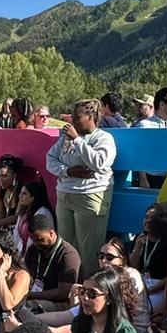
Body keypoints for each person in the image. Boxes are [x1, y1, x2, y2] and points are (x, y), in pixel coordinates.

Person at [45, 98, 116, 266]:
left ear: (91, 116)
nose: (73, 120)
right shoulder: (65, 138)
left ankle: (88, 286)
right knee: (65, 247)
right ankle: (66, 285)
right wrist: (67, 171)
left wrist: (77, 140)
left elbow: (98, 163)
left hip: (90, 196)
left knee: (88, 250)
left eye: (78, 116)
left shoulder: (103, 138)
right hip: (64, 196)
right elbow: (50, 160)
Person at [22, 212, 81, 313]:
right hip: (35, 295)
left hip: (60, 302)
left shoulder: (68, 255)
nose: (36, 244)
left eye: (40, 239)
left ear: (51, 232)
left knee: (28, 308)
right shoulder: (34, 249)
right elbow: (25, 272)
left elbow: (63, 292)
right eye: (33, 240)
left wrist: (31, 296)